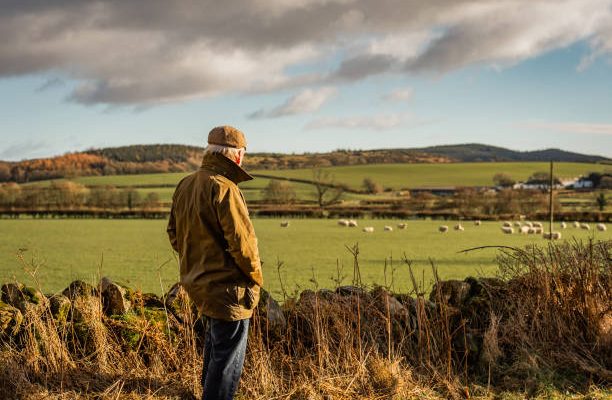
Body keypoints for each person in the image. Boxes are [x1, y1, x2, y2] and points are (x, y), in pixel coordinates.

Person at [166, 125, 263, 400]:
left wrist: (195, 260)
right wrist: (255, 278)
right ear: (236, 156)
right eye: (243, 153)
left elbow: (174, 233)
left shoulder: (186, 184)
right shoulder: (226, 188)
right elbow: (243, 246)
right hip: (229, 288)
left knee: (215, 348)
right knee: (227, 360)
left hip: (199, 283)